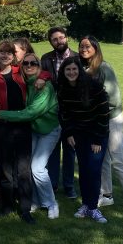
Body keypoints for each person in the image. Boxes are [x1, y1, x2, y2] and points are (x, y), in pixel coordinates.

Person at [0, 51, 61, 219]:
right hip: (33, 130)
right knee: (28, 168)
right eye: (26, 64)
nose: (29, 66)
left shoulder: (45, 87)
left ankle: (51, 203)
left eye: (33, 63)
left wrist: (1, 114)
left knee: (37, 168)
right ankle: (35, 200)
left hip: (48, 131)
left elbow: (30, 113)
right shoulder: (28, 81)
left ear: (39, 66)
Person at [78, 35, 123, 215]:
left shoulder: (104, 68)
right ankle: (106, 194)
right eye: (81, 46)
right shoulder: (82, 68)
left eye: (88, 46)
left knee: (118, 158)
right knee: (101, 158)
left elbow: (113, 99)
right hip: (94, 120)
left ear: (96, 48)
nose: (84, 49)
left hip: (111, 118)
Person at [0, 41, 34, 223]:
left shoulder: (21, 71)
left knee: (24, 170)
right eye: (2, 52)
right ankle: (7, 205)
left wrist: (44, 78)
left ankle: (26, 209)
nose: (5, 55)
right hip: (1, 126)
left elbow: (41, 74)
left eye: (9, 53)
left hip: (22, 124)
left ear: (13, 56)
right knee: (5, 169)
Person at [57, 57, 110, 223]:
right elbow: (64, 114)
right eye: (68, 70)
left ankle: (93, 208)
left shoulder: (93, 86)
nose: (71, 72)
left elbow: (103, 113)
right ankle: (86, 204)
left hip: (96, 135)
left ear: (79, 70)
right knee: (84, 170)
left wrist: (97, 139)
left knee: (93, 171)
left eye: (74, 69)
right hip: (78, 135)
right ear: (63, 72)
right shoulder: (63, 89)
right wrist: (69, 133)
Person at [42, 26, 78, 199]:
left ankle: (69, 186)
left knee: (70, 149)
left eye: (61, 37)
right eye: (55, 39)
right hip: (53, 111)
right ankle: (53, 184)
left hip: (71, 111)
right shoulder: (46, 59)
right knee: (53, 149)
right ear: (51, 42)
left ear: (67, 38)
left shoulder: (77, 58)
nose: (59, 41)